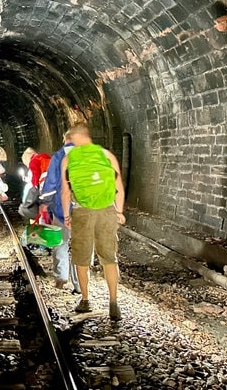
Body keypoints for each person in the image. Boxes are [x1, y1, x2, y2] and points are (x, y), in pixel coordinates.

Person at [61, 123, 126, 319]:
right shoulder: (107, 155)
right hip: (107, 211)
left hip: (82, 212)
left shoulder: (68, 159)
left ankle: (85, 300)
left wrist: (66, 215)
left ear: (73, 139)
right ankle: (113, 303)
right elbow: (119, 188)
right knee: (109, 257)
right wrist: (119, 211)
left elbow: (66, 192)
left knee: (82, 258)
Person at [40, 131, 80, 293]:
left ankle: (61, 276)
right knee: (80, 247)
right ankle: (79, 284)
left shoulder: (58, 156)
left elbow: (50, 184)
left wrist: (44, 203)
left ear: (66, 139)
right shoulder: (87, 154)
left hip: (61, 208)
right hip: (83, 209)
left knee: (61, 244)